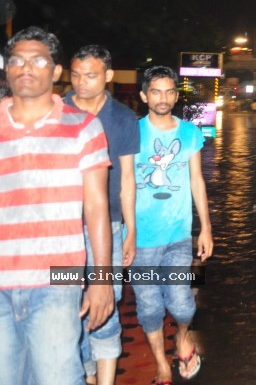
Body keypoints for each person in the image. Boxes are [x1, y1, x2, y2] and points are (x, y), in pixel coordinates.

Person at [0, 27, 114, 385]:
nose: (25, 67)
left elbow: (97, 207)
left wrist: (102, 280)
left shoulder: (84, 127)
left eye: (37, 60)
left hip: (57, 282)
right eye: (16, 60)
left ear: (55, 71)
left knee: (57, 378)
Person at [66, 45, 141, 385]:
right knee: (67, 305)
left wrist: (130, 230)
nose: (82, 82)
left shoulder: (123, 118)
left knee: (105, 304)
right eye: (76, 75)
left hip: (107, 227)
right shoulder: (57, 112)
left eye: (91, 75)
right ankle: (87, 374)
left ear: (108, 76)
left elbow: (127, 179)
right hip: (62, 227)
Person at [133, 66, 213, 383]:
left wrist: (205, 227)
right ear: (143, 96)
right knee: (149, 306)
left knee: (181, 302)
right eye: (155, 91)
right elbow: (124, 183)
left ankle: (182, 336)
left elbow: (197, 180)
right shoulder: (132, 132)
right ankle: (161, 364)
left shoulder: (190, 133)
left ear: (176, 96)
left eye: (169, 91)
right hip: (139, 238)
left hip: (179, 235)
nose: (163, 98)